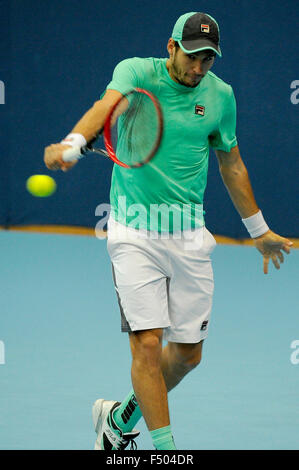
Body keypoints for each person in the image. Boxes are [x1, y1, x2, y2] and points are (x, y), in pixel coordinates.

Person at [44, 12, 293, 450]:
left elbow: (231, 163)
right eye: (193, 57)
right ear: (172, 47)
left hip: (189, 235)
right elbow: (105, 107)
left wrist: (259, 230)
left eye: (208, 60)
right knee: (146, 345)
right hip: (133, 234)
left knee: (187, 356)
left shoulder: (222, 96)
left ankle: (118, 418)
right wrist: (73, 143)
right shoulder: (136, 73)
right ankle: (166, 451)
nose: (199, 68)